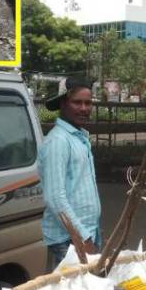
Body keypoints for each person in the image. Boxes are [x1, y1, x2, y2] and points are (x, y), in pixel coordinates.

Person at [38, 78, 100, 271]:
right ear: (64, 103)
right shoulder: (58, 141)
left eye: (88, 103)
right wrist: (83, 239)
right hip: (69, 240)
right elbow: (55, 198)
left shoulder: (79, 138)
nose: (84, 108)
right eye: (77, 102)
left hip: (87, 232)